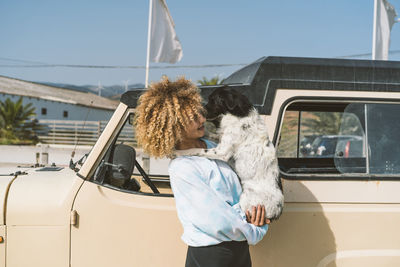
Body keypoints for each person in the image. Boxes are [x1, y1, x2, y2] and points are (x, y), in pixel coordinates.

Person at [134, 76, 269, 267]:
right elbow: (217, 221)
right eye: (193, 118)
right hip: (212, 254)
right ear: (174, 126)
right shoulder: (182, 168)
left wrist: (254, 208)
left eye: (199, 113)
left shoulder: (212, 147)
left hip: (239, 248)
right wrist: (254, 228)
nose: (202, 119)